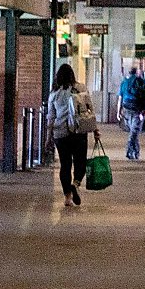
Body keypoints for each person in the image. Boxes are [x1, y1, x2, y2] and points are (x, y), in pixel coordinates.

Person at [46, 62, 96, 205]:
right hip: (79, 131)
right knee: (80, 162)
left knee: (65, 164)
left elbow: (51, 117)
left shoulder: (54, 94)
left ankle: (67, 197)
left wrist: (48, 137)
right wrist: (95, 129)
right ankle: (76, 184)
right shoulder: (81, 88)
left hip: (60, 133)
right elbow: (89, 110)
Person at [118, 65, 145, 161]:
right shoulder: (141, 82)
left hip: (126, 110)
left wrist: (118, 112)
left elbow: (120, 98)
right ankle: (131, 150)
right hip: (138, 111)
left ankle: (134, 152)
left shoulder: (124, 83)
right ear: (137, 72)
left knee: (133, 131)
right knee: (134, 132)